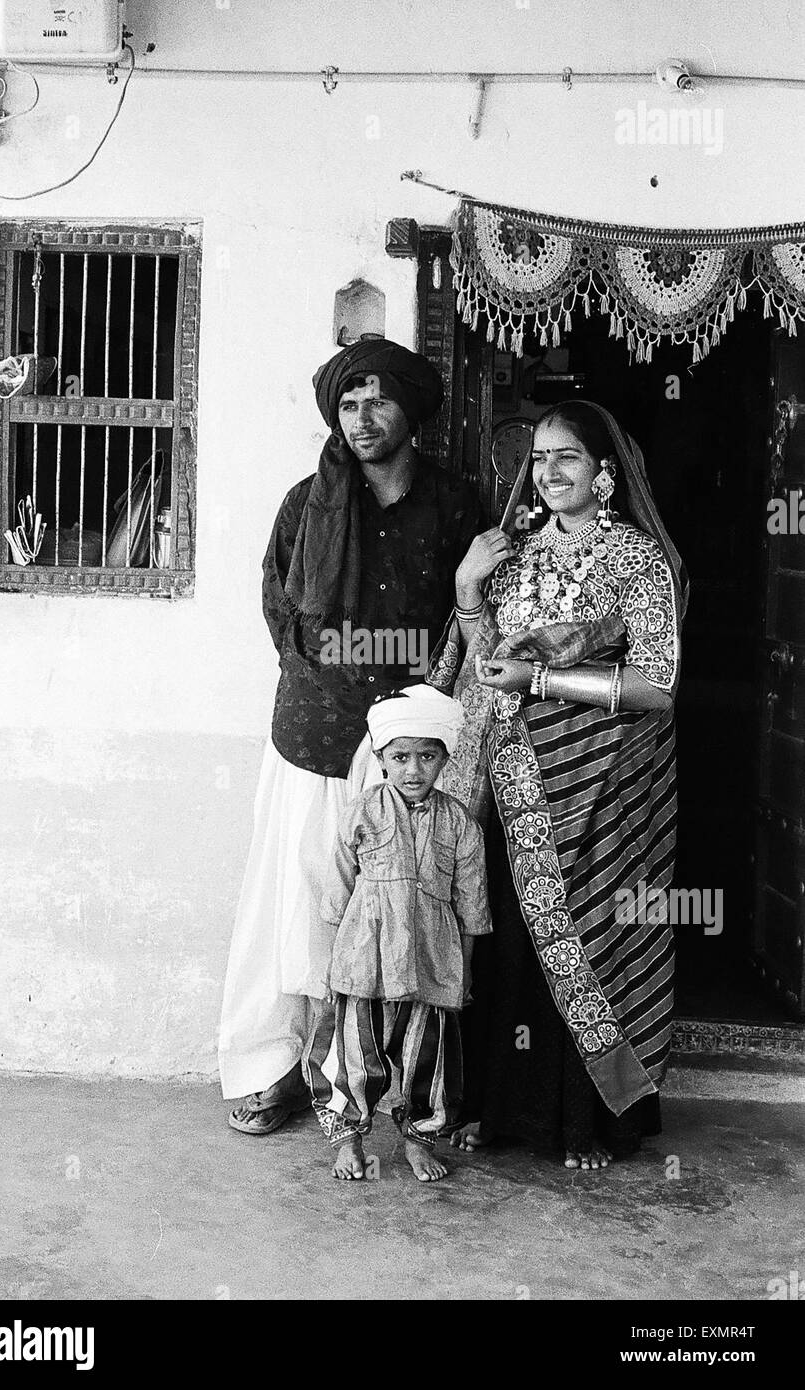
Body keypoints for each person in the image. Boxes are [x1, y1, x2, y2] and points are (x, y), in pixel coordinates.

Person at [219, 340, 482, 1134]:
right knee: (297, 903)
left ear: (411, 412)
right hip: (315, 739)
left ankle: (357, 1084)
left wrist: (409, 721)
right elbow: (284, 617)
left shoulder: (455, 502)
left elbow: (468, 622)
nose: (362, 418)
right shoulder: (309, 504)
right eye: (348, 404)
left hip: (410, 752)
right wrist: (354, 709)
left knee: (389, 911)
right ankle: (271, 1067)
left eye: (378, 401)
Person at [428, 399, 688, 1171]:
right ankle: (501, 1112)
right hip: (514, 780)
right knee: (511, 944)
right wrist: (468, 589)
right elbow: (482, 667)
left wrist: (543, 676)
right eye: (539, 459)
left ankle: (591, 1122)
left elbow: (659, 683)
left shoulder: (637, 560)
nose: (549, 472)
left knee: (598, 939)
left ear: (607, 472)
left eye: (567, 456)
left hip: (602, 786)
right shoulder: (511, 552)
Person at [303, 685, 491, 1182]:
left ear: (445, 758)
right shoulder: (363, 809)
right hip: (365, 957)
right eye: (401, 757)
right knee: (355, 1055)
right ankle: (349, 1139)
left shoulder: (459, 822)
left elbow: (472, 909)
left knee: (426, 1060)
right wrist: (329, 966)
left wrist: (464, 975)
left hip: (432, 959)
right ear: (382, 758)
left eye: (427, 756)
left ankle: (416, 1139)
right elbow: (337, 892)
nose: (413, 769)